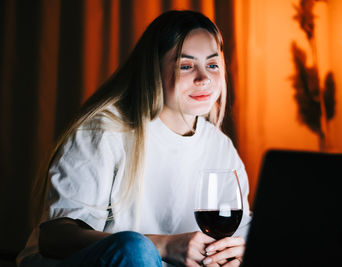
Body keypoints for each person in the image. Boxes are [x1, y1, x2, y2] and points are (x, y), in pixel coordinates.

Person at [17, 10, 251, 267]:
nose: (204, 78)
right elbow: (54, 237)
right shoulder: (104, 132)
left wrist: (233, 254)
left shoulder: (221, 148)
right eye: (185, 66)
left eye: (212, 65)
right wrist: (163, 245)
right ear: (153, 70)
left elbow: (241, 236)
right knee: (135, 249)